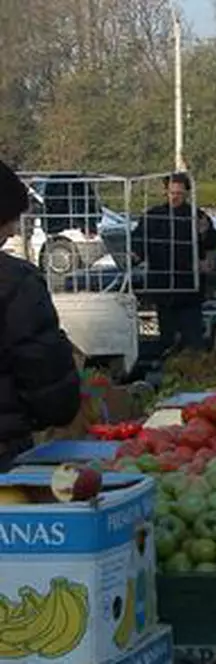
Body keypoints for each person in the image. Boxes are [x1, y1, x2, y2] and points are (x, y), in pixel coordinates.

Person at [0, 159, 80, 471]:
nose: (10, 231)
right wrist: (58, 411)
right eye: (8, 219)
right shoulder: (14, 282)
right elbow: (42, 367)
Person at [132, 173, 216, 351]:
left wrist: (204, 233)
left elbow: (212, 244)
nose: (174, 196)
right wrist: (131, 257)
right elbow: (138, 245)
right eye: (171, 192)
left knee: (193, 343)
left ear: (187, 193)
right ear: (165, 192)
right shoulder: (153, 217)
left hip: (190, 292)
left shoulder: (197, 216)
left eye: (179, 193)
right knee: (166, 343)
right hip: (163, 290)